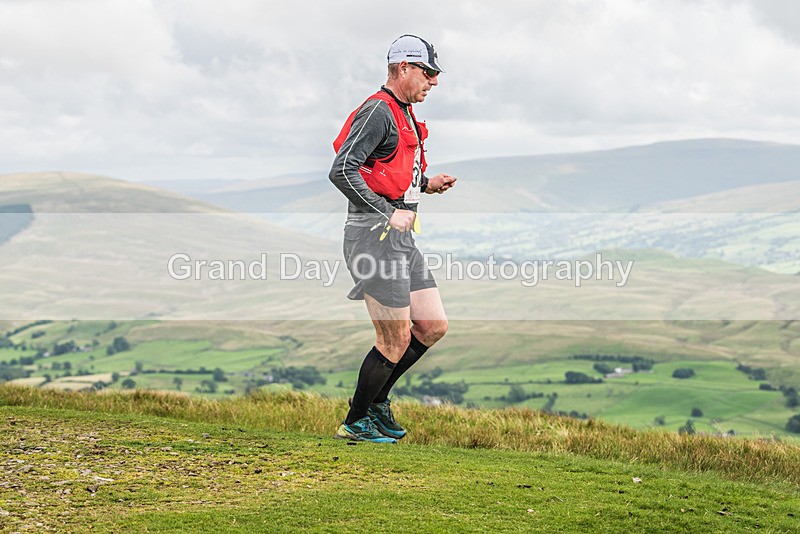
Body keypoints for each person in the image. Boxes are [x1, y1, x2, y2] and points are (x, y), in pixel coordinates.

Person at [329, 34, 457, 443]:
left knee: (432, 325)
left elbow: (386, 174)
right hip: (372, 237)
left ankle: (377, 402)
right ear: (403, 68)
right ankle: (356, 421)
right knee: (394, 336)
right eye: (428, 72)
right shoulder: (378, 111)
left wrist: (425, 184)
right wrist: (387, 212)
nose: (433, 81)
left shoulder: (402, 113)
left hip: (398, 240)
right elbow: (342, 170)